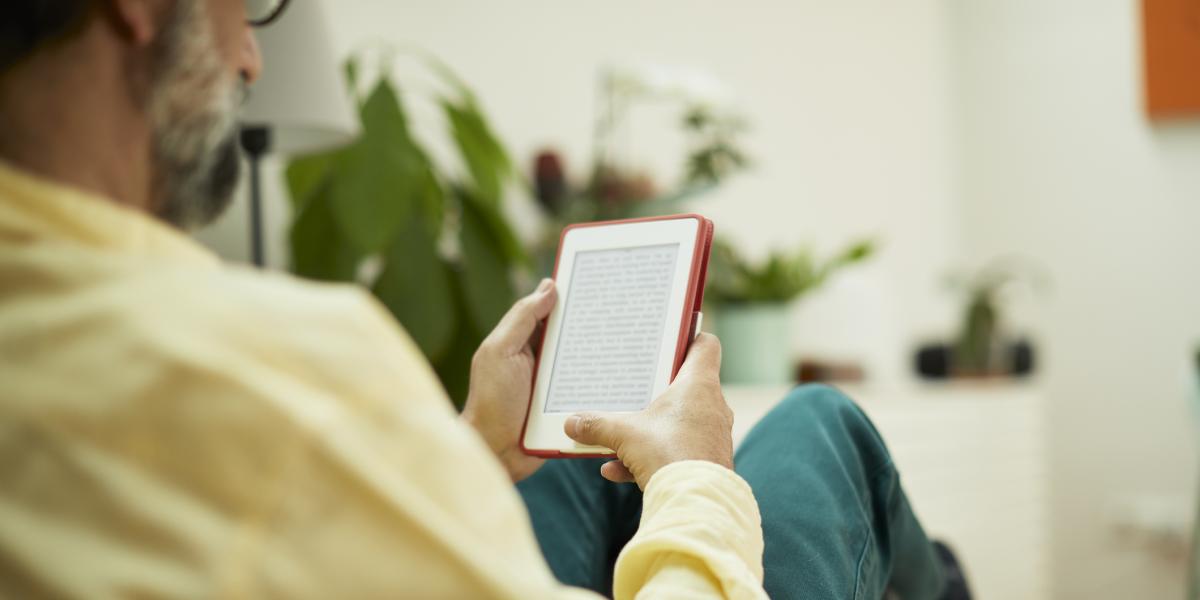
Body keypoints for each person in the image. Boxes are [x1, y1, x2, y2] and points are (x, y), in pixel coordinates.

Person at [0, 1, 962, 598]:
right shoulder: (284, 368)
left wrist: (466, 450)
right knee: (821, 426)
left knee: (563, 465)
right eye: (244, 5)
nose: (251, 58)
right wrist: (695, 478)